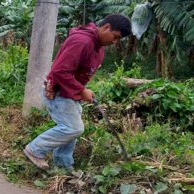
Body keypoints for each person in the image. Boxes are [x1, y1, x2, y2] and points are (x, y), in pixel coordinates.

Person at [23, 14, 132, 170]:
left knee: (71, 127)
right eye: (115, 37)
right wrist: (81, 90)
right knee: (73, 128)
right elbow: (60, 71)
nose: (114, 42)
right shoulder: (81, 41)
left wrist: (81, 91)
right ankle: (35, 150)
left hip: (69, 93)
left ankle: (63, 166)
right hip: (58, 91)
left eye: (118, 40)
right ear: (106, 27)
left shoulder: (98, 46)